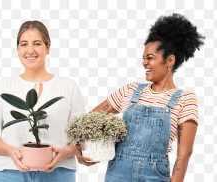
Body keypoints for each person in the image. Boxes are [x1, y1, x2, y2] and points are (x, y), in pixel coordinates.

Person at [76, 13, 204, 182]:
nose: (144, 63)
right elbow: (89, 120)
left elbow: (184, 153)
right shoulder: (130, 90)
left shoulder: (186, 99)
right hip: (117, 174)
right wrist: (80, 146)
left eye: (150, 58)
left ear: (170, 60)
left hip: (154, 175)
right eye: (143, 58)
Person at [0, 20, 86, 182]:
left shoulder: (68, 87)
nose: (30, 50)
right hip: (9, 172)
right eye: (24, 44)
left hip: (59, 172)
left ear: (48, 47)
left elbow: (81, 135)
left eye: (37, 44)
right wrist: (9, 150)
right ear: (18, 49)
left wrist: (66, 152)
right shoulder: (4, 86)